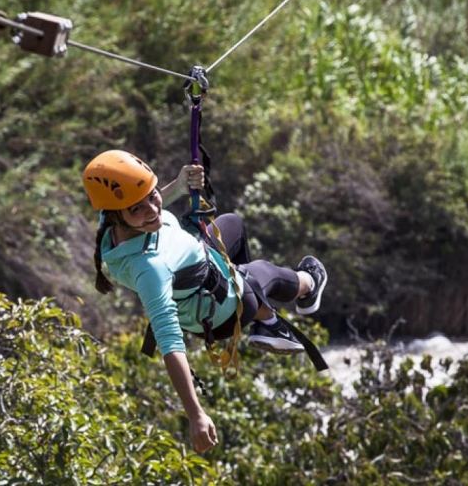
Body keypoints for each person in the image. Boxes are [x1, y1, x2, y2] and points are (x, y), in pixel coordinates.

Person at [82, 149, 327, 453]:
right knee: (266, 273)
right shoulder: (150, 269)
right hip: (220, 310)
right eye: (137, 209)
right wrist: (195, 414)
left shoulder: (112, 218)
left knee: (232, 224)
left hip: (203, 260)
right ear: (119, 214)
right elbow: (170, 343)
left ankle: (265, 320)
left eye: (151, 195)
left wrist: (180, 184)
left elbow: (149, 203)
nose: (152, 210)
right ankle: (309, 284)